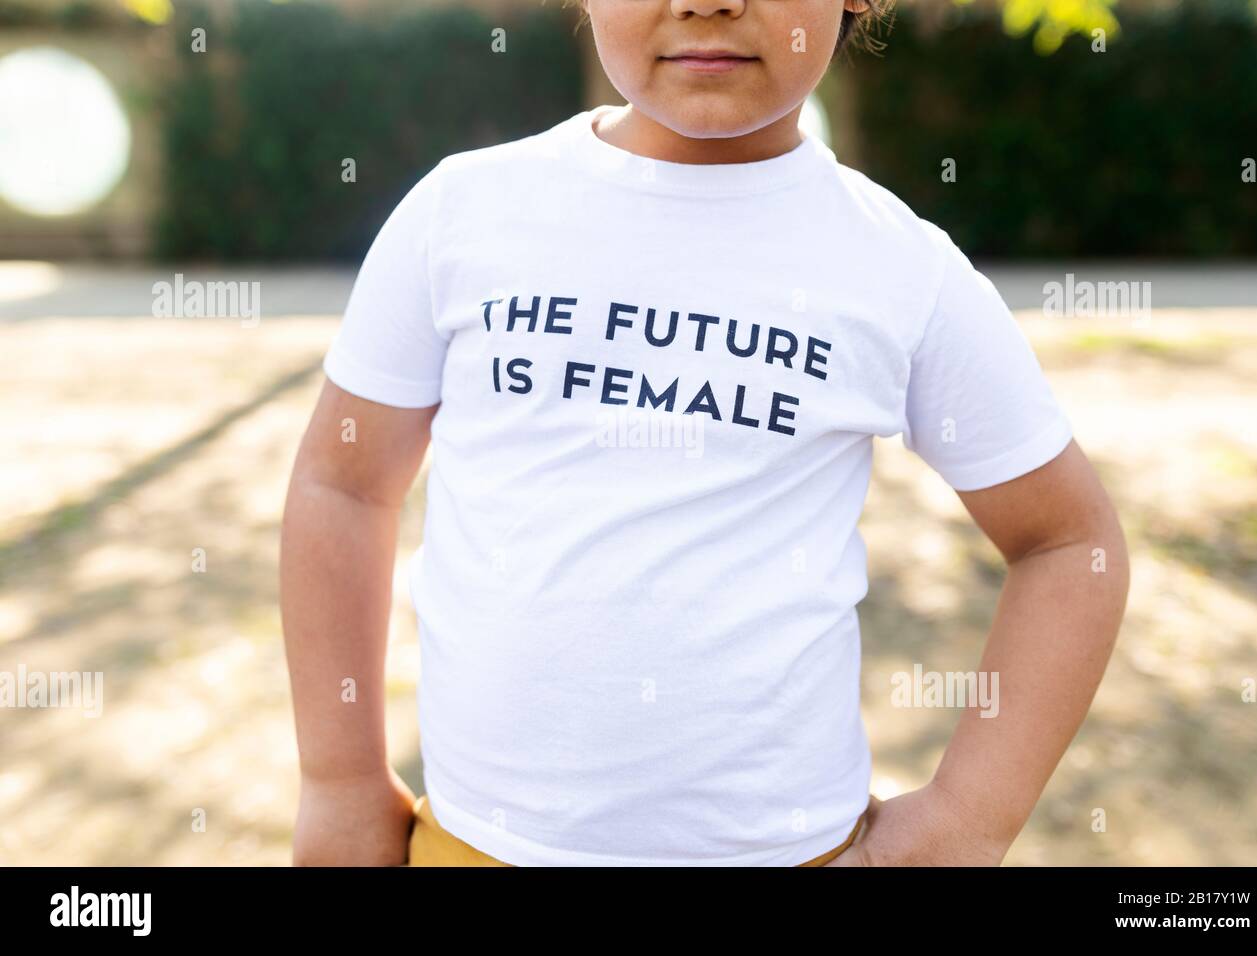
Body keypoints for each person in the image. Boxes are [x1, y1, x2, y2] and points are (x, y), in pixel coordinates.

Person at [281, 0, 1129, 867]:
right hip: (474, 847)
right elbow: (341, 487)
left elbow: (1068, 543)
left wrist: (965, 820)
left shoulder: (901, 269)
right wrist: (339, 781)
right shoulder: (462, 213)